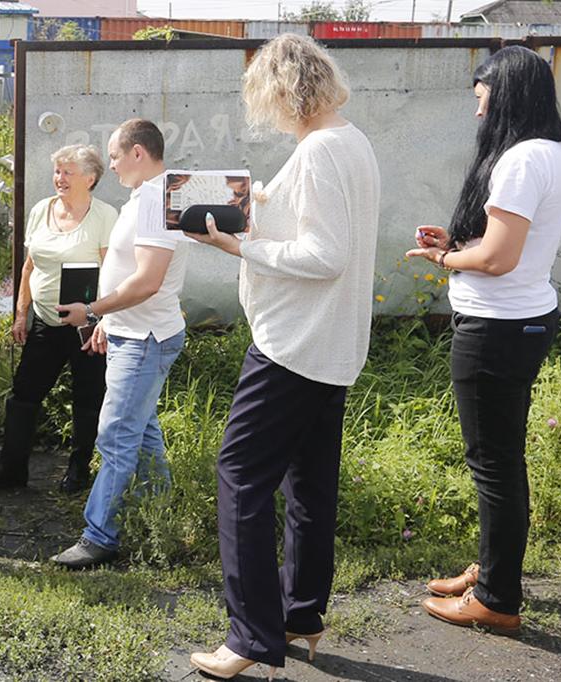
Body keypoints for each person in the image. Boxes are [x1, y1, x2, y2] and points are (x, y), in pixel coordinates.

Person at [186, 34, 380, 679]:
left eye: (263, 97)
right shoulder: (351, 140)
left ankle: (251, 637)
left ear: (283, 91)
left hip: (294, 344)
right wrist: (259, 212)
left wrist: (239, 246)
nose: (264, 111)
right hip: (331, 344)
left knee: (240, 475)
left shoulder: (320, 149)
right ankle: (300, 613)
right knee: (309, 484)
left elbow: (325, 255)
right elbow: (324, 231)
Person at [406, 46, 561, 633]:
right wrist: (459, 243)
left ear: (505, 95)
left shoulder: (521, 160)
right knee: (502, 459)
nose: (478, 111)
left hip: (496, 326)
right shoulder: (556, 153)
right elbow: (512, 246)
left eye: (482, 99)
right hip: (525, 318)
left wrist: (445, 257)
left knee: (494, 464)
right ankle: (492, 571)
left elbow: (498, 259)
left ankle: (497, 599)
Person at [52, 119, 189, 569]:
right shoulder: (147, 196)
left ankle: (99, 536)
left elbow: (147, 281)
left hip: (145, 339)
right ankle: (158, 514)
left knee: (115, 435)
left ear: (137, 153)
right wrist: (109, 320)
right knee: (142, 431)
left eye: (114, 156)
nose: (110, 165)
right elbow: (129, 271)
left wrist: (93, 311)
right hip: (134, 332)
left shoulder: (156, 201)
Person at [0, 144, 117, 493]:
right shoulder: (41, 210)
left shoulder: (105, 216)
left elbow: (112, 273)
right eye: (57, 171)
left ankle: (78, 471)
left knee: (87, 398)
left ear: (90, 178)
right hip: (44, 321)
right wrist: (21, 314)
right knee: (23, 394)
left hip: (86, 325)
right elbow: (29, 267)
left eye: (68, 172)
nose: (59, 178)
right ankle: (10, 469)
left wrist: (102, 318)